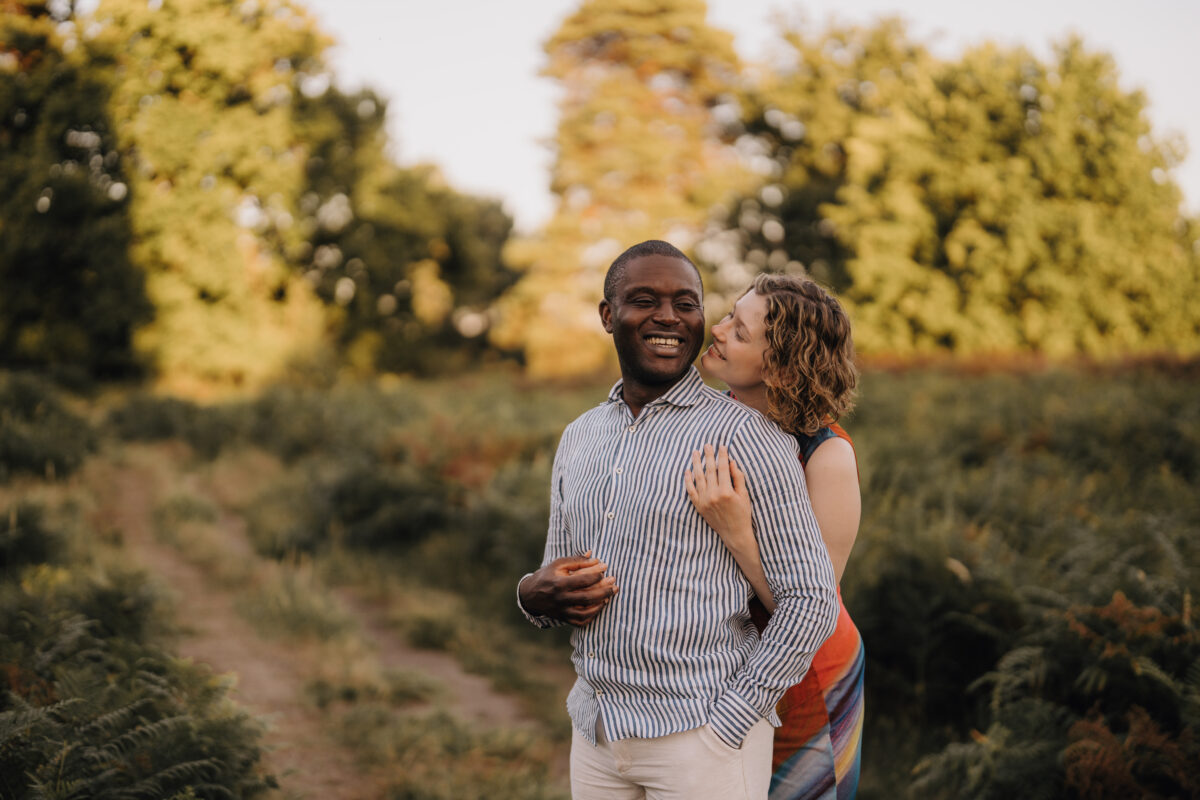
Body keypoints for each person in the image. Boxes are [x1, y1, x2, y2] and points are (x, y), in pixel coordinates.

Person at [517, 241, 840, 800]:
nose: (668, 316)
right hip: (596, 730)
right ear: (608, 316)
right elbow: (557, 578)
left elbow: (811, 600)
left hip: (701, 736)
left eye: (686, 304)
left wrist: (732, 721)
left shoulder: (749, 437)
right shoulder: (579, 436)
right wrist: (530, 595)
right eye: (645, 300)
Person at [685, 273, 863, 800]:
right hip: (724, 661)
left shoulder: (827, 456)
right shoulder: (710, 417)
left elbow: (813, 608)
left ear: (782, 368)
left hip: (807, 676)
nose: (716, 330)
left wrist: (738, 534)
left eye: (739, 331)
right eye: (728, 316)